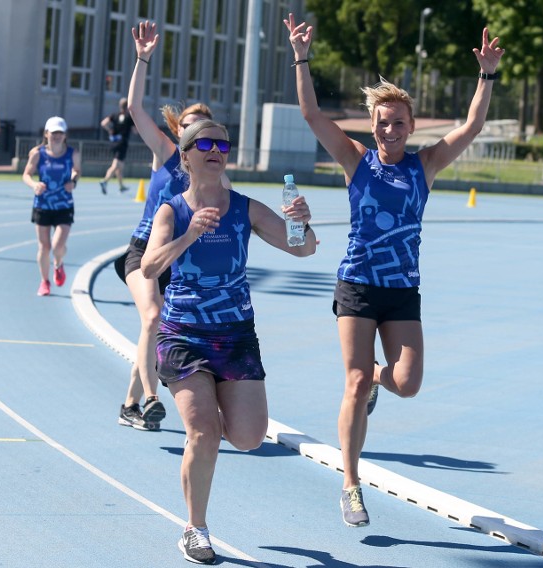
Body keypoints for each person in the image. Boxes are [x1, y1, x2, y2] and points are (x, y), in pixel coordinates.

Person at [284, 13, 505, 527]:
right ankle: (351, 484)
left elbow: (471, 126)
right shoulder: (356, 159)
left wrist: (486, 75)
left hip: (402, 290)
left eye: (398, 122)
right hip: (358, 284)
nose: (389, 129)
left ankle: (376, 384)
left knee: (406, 383)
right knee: (355, 382)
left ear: (410, 125)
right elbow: (312, 113)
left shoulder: (424, 165)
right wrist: (301, 57)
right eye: (382, 122)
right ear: (374, 124)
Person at [141, 119, 316, 564]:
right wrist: (190, 234)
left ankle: (217, 405)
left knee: (250, 436)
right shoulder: (171, 211)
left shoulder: (245, 208)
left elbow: (303, 248)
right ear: (185, 156)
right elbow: (148, 267)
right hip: (184, 334)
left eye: (222, 143)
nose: (216, 149)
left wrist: (301, 224)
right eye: (205, 143)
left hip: (235, 334)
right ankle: (195, 529)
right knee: (203, 430)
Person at [113, 20, 231, 432]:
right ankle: (150, 398)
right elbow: (133, 109)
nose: (195, 132)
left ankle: (129, 404)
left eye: (203, 128)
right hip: (145, 250)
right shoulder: (164, 151)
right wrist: (143, 58)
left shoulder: (216, 172)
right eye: (188, 125)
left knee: (157, 325)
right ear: (179, 131)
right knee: (152, 317)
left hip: (182, 259)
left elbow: (234, 219)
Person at [21, 116, 81, 297]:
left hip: (64, 205)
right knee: (44, 247)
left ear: (65, 135)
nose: (57, 136)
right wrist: (34, 185)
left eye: (60, 133)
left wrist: (73, 180)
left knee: (57, 246)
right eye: (53, 132)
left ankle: (58, 264)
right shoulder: (38, 154)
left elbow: (77, 170)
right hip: (42, 205)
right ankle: (44, 281)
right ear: (46, 134)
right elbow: (26, 174)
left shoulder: (73, 153)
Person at [99, 97, 136, 194]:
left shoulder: (114, 115)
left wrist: (110, 130)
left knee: (120, 166)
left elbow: (103, 123)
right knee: (116, 165)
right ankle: (105, 181)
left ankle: (121, 186)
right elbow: (135, 131)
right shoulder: (129, 117)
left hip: (114, 142)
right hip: (122, 143)